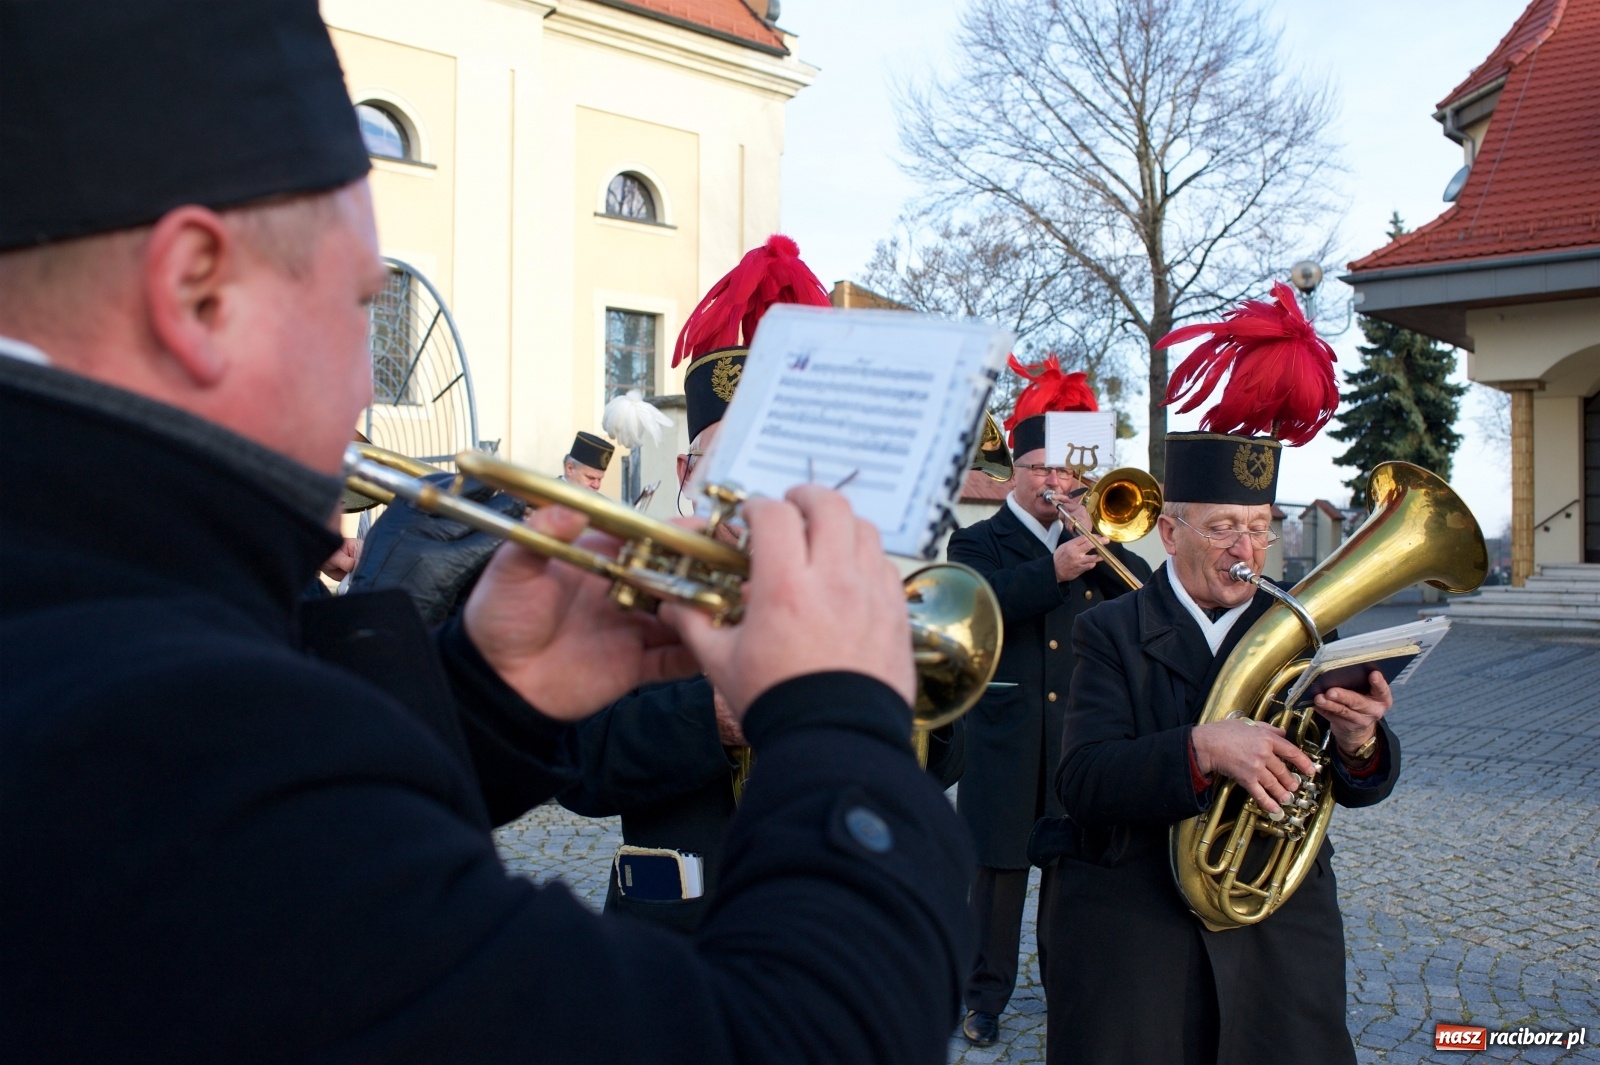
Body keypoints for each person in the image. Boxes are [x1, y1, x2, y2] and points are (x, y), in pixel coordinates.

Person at [0, 4, 976, 1062]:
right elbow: (802, 1041)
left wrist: (486, 701)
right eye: (358, 310)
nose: (362, 390)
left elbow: (326, 921)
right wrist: (838, 714)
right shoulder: (177, 720)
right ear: (198, 293)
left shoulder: (89, 620)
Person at [560, 235, 964, 932]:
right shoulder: (633, 582)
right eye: (726, 458)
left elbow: (940, 760)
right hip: (674, 931)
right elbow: (575, 765)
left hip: (826, 921)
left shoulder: (855, 586)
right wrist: (708, 718)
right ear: (687, 474)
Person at [1040, 285, 1399, 1065]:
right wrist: (1202, 747)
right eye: (1224, 527)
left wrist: (1361, 741)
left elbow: (1357, 782)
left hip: (1281, 931)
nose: (1246, 548)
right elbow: (1085, 782)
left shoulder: (1305, 628)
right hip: (1140, 926)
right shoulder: (1109, 629)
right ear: (1170, 532)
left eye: (1261, 529)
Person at [945, 356, 1150, 1048]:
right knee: (996, 883)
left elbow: (1149, 607)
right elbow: (975, 606)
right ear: (1013, 470)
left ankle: (1070, 994)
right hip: (1002, 736)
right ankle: (983, 997)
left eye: (1070, 473)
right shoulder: (977, 540)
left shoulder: (1095, 540)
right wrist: (1051, 568)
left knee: (1072, 883)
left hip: (1069, 744)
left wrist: (1106, 543)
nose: (1056, 484)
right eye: (1043, 470)